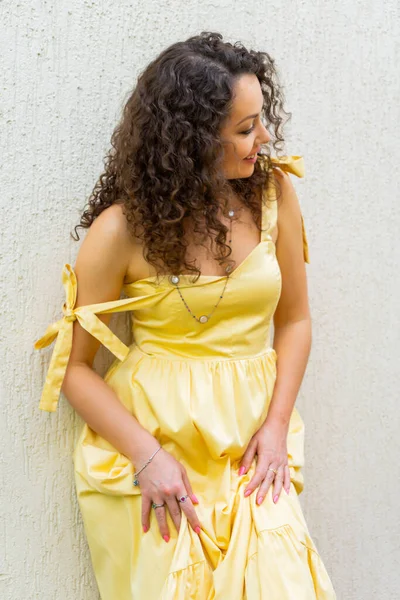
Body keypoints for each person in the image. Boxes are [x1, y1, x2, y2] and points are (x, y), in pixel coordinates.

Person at [34, 31, 336, 600]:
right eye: (245, 129)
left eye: (261, 120)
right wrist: (148, 458)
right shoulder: (120, 231)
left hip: (251, 440)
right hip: (155, 445)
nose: (263, 139)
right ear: (191, 140)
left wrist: (275, 427)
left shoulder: (273, 197)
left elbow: (295, 320)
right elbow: (74, 370)